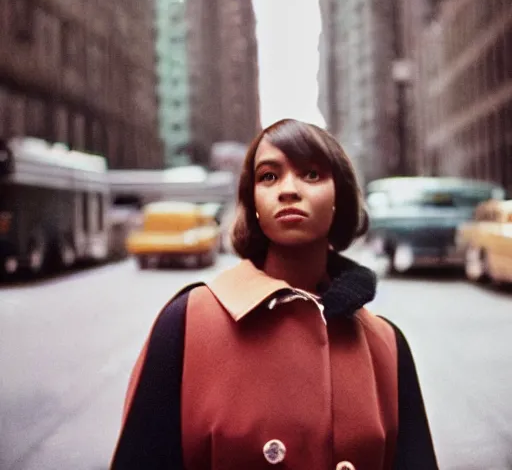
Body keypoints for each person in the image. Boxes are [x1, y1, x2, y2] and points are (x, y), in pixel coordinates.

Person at [111, 119, 438, 470]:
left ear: (338, 199)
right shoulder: (186, 323)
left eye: (311, 174)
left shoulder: (386, 344)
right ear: (252, 202)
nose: (288, 190)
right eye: (268, 176)